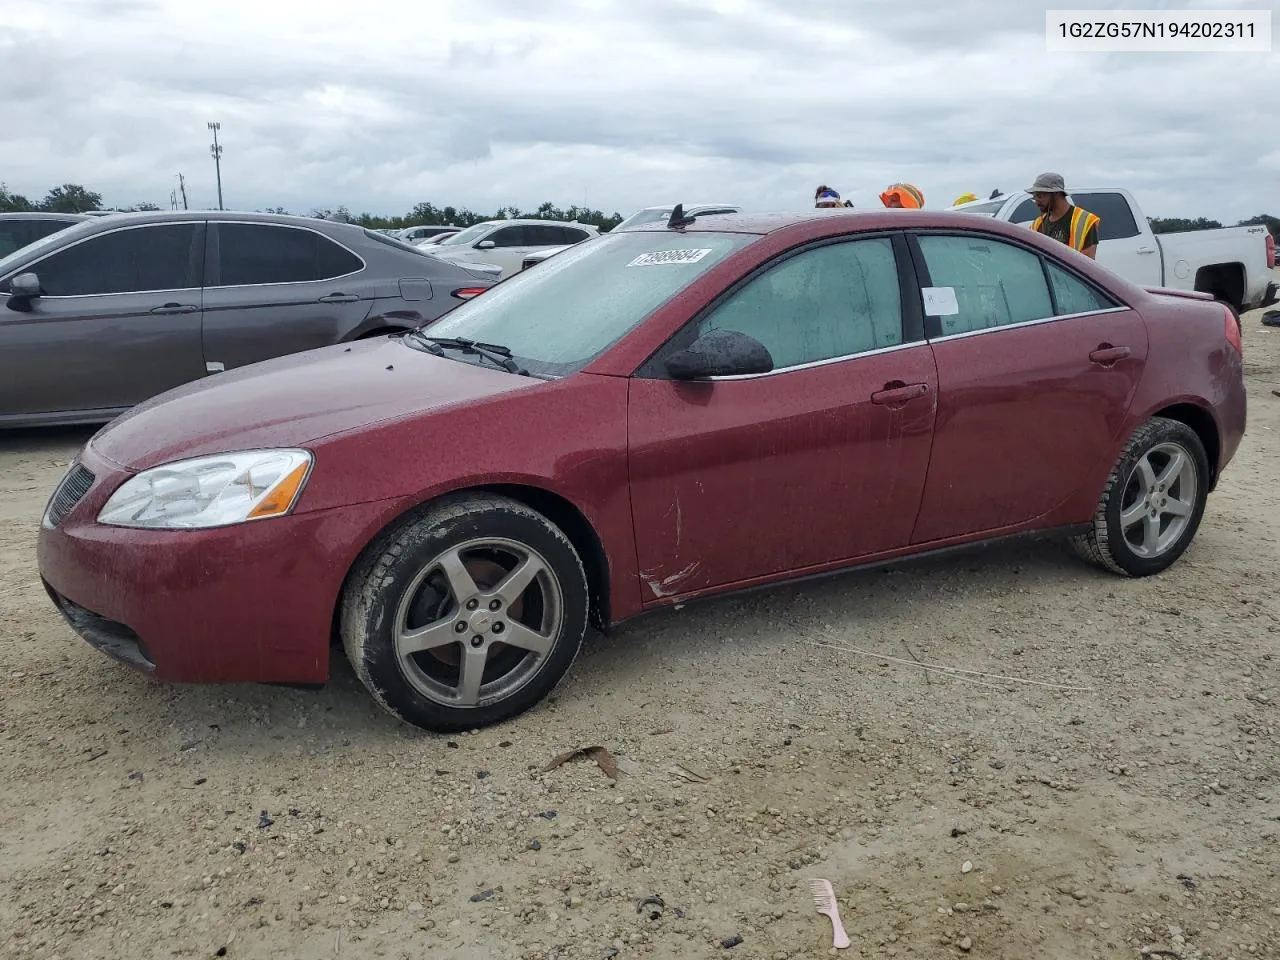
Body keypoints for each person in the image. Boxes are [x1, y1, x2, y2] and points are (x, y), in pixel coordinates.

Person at [1025, 172, 1101, 259]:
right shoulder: (1037, 225)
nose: (1037, 201)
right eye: (1034, 197)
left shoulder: (1084, 221)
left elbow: (1088, 264)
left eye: (1039, 196)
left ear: (1056, 194)